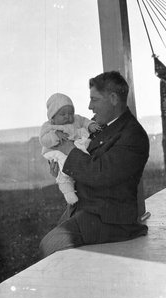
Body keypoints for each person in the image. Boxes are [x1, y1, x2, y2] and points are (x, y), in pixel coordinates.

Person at [39, 71, 150, 258]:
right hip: (88, 209)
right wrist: (61, 168)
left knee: (49, 246)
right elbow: (86, 159)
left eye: (94, 99)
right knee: (50, 243)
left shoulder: (132, 135)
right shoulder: (106, 127)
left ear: (113, 98)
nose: (90, 107)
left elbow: (100, 173)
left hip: (110, 219)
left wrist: (68, 150)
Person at [39, 93, 101, 204]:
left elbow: (84, 121)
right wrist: (55, 136)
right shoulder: (49, 126)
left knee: (80, 161)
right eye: (63, 114)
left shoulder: (76, 120)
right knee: (63, 174)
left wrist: (91, 125)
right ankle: (69, 194)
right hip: (57, 151)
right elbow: (43, 139)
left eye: (70, 113)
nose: (68, 116)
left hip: (75, 148)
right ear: (52, 117)